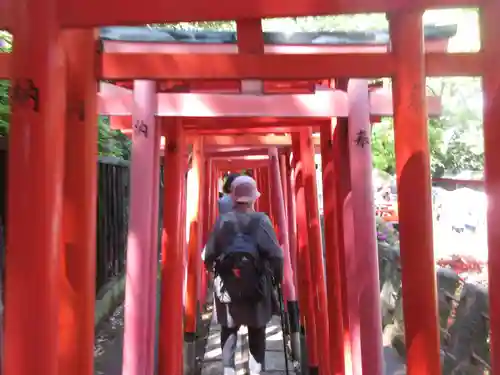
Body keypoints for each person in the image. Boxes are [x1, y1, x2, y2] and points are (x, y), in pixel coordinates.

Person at [204, 175, 284, 375]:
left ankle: (229, 370)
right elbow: (277, 255)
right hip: (257, 286)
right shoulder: (262, 221)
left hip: (228, 286)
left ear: (233, 198)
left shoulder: (223, 221)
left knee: (228, 329)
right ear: (253, 198)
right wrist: (276, 280)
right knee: (257, 331)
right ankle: (255, 371)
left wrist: (212, 270)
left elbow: (208, 254)